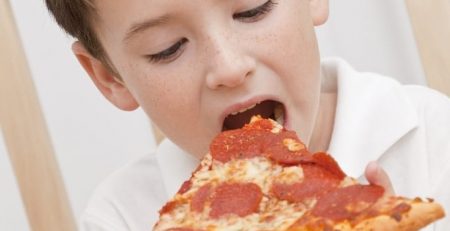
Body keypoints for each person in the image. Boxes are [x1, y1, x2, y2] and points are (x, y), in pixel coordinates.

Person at [45, 0, 450, 230]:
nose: (228, 67)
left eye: (253, 9)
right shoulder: (120, 216)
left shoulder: (434, 138)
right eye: (167, 48)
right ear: (110, 77)